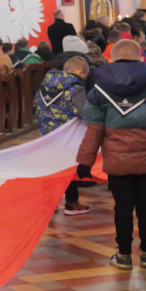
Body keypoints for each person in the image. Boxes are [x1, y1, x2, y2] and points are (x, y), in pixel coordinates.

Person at [76, 39, 146, 270]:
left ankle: (123, 255)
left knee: (122, 208)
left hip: (117, 162)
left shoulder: (98, 92)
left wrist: (85, 161)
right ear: (141, 59)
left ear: (111, 60)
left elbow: (93, 130)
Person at [35, 57, 91, 215]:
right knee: (68, 168)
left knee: (51, 168)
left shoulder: (45, 84)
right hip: (67, 135)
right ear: (80, 72)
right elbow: (84, 112)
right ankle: (72, 203)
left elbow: (37, 105)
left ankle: (49, 204)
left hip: (46, 133)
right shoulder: (75, 87)